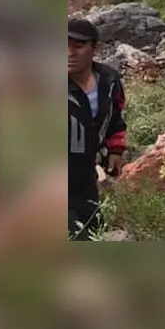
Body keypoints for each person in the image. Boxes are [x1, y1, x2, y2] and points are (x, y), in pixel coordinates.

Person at [68, 18, 127, 240]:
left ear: (94, 49)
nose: (69, 53)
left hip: (85, 177)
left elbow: (115, 118)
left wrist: (115, 150)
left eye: (78, 46)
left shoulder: (109, 81)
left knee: (95, 231)